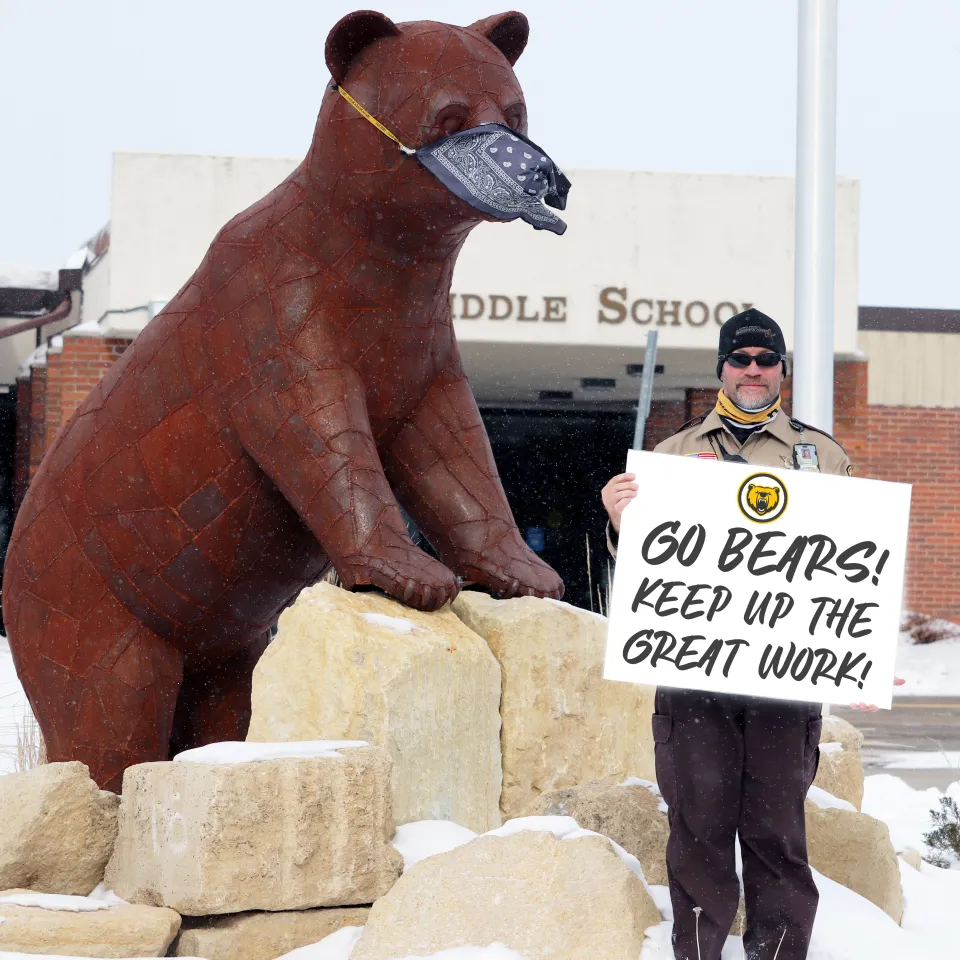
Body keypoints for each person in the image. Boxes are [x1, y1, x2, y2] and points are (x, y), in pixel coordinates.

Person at [601, 308, 900, 960]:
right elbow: (647, 575)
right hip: (693, 680)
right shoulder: (672, 456)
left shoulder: (821, 455)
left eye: (767, 359)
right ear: (722, 370)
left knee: (776, 834)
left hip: (783, 685)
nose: (754, 370)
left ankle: (780, 952)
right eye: (741, 359)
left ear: (783, 370)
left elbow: (850, 567)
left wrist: (863, 646)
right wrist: (621, 523)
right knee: (700, 828)